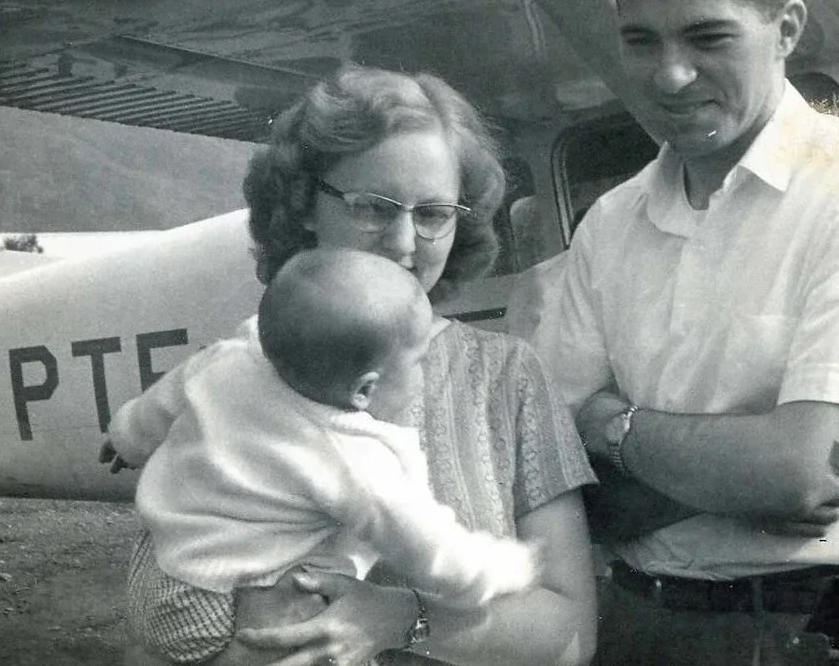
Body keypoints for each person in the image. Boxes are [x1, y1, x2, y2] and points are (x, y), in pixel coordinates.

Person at [530, 0, 839, 665]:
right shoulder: (608, 224)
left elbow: (800, 473)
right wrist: (739, 466)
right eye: (639, 40)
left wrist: (609, 425)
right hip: (632, 626)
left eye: (707, 36)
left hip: (811, 629)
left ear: (785, 28)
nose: (668, 76)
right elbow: (554, 485)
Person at [123, 64, 598, 666]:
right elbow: (161, 621)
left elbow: (571, 633)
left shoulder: (508, 378)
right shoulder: (246, 373)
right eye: (373, 207)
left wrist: (399, 617)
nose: (403, 243)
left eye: (433, 214)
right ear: (304, 207)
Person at [103, 248, 541, 665]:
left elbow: (163, 399)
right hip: (217, 603)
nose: (424, 371)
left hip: (156, 566)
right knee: (316, 620)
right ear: (364, 390)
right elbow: (433, 551)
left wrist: (126, 436)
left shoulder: (231, 358)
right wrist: (506, 568)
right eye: (419, 360)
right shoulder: (351, 456)